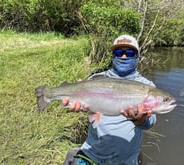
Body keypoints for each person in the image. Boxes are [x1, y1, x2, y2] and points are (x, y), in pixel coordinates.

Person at [62, 34, 157, 165]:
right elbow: (87, 109)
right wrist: (77, 101)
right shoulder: (97, 79)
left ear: (137, 56)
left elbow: (151, 121)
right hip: (92, 153)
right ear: (113, 55)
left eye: (129, 52)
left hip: (125, 160)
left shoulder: (146, 86)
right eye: (119, 52)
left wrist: (140, 120)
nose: (123, 56)